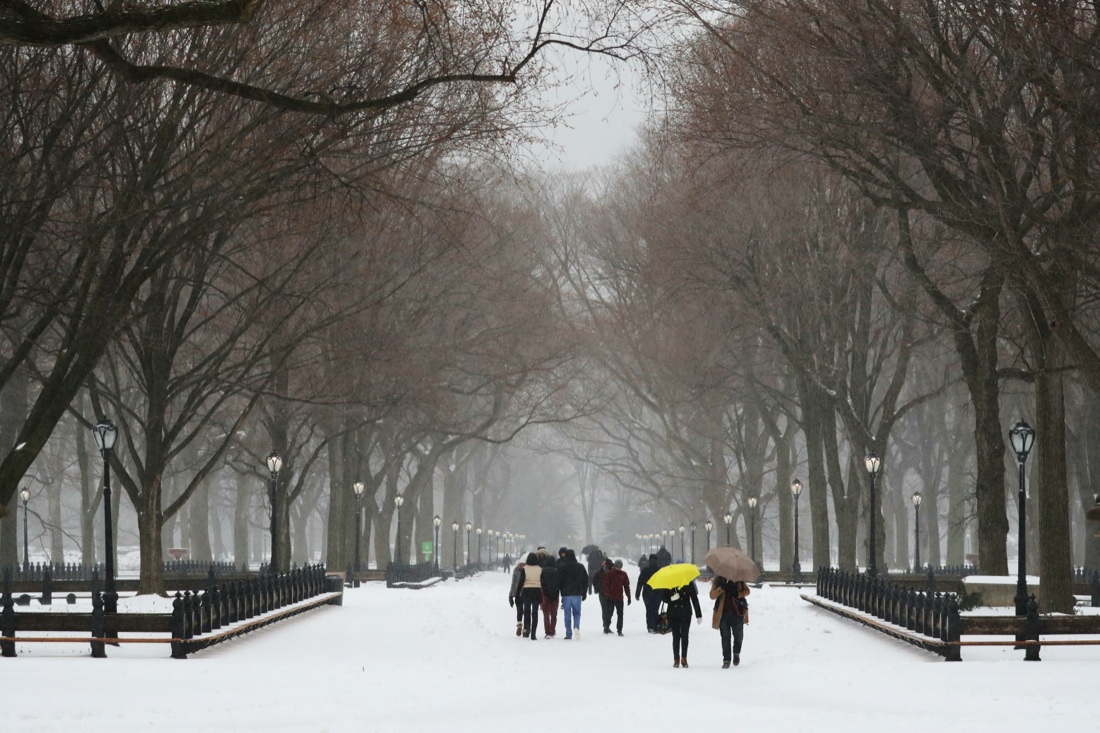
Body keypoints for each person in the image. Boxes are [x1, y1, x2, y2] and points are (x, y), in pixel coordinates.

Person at [710, 576, 750, 667]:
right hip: (723, 614)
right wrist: (721, 588)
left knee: (738, 636)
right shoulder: (718, 580)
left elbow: (747, 591)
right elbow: (712, 595)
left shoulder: (739, 579)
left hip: (737, 613)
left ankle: (736, 652)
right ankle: (726, 660)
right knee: (725, 637)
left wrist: (738, 594)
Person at [660, 580, 702, 668]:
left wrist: (698, 614)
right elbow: (663, 597)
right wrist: (671, 598)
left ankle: (684, 658)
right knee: (675, 636)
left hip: (685, 612)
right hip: (673, 613)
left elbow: (694, 598)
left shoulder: (688, 582)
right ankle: (676, 659)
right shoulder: (669, 582)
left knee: (685, 635)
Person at [557, 549, 589, 639]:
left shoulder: (562, 567)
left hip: (566, 593)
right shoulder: (580, 567)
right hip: (577, 593)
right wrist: (584, 592)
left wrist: (560, 590)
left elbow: (559, 580)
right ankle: (576, 627)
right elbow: (585, 580)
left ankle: (568, 633)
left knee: (567, 614)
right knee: (577, 613)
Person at [515, 552, 543, 640]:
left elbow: (521, 582)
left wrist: (517, 593)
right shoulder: (540, 569)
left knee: (527, 611)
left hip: (527, 591)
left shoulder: (525, 568)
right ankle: (533, 633)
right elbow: (543, 582)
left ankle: (526, 630)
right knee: (535, 613)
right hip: (537, 591)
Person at [602, 559, 632, 635]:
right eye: (617, 566)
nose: (618, 568)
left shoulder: (624, 574)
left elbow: (626, 586)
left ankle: (619, 629)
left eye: (620, 567)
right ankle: (606, 626)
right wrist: (607, 593)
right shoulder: (610, 573)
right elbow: (605, 584)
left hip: (619, 597)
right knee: (609, 613)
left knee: (620, 614)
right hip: (611, 597)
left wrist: (628, 597)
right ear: (614, 566)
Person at [636, 553, 660, 632]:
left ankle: (649, 626)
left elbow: (640, 582)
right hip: (657, 593)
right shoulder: (659, 570)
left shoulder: (645, 570)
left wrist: (637, 593)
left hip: (647, 593)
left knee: (649, 610)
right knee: (655, 609)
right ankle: (655, 625)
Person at [540, 554, 561, 638]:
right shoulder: (557, 571)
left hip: (545, 594)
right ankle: (552, 629)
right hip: (555, 594)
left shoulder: (542, 571)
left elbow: (540, 582)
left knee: (546, 614)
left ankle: (547, 631)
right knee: (554, 614)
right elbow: (559, 582)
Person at [508, 556, 527, 636]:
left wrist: (511, 595)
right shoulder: (528, 570)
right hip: (526, 593)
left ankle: (519, 624)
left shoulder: (516, 570)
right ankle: (526, 628)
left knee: (519, 610)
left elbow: (513, 583)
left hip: (517, 593)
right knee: (527, 611)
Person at [592, 558, 612, 632]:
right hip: (604, 593)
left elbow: (594, 581)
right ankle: (606, 625)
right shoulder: (599, 573)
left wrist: (597, 589)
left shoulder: (601, 572)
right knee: (606, 609)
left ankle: (606, 624)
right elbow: (594, 581)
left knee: (608, 610)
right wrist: (598, 589)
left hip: (607, 593)